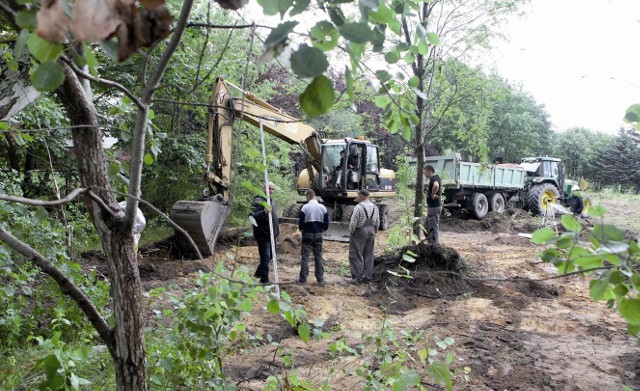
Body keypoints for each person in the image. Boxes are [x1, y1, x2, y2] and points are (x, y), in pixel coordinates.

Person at [297, 189, 330, 284]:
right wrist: (321, 230)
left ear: (307, 196)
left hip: (307, 234)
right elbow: (326, 224)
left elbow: (301, 223)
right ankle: (320, 279)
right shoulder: (322, 207)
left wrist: (302, 230)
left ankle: (303, 279)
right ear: (314, 196)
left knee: (305, 257)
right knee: (318, 257)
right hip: (318, 235)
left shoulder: (305, 208)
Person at [249, 182, 280, 283]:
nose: (271, 191)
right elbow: (252, 216)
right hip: (263, 235)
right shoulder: (258, 201)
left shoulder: (270, 200)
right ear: (263, 188)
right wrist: (264, 212)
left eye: (273, 189)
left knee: (272, 255)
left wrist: (276, 233)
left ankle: (258, 273)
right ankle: (264, 280)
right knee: (265, 258)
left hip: (272, 235)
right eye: (269, 188)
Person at [348, 189, 380, 284]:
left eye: (358, 195)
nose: (357, 197)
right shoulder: (375, 207)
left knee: (355, 254)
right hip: (371, 231)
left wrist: (351, 232)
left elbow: (353, 222)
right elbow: (377, 222)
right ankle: (368, 277)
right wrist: (375, 231)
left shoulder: (358, 207)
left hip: (360, 232)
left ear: (362, 196)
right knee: (369, 254)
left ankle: (358, 278)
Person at [423, 165, 442, 244]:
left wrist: (432, 195)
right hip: (432, 208)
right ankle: (431, 243)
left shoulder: (434, 178)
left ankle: (434, 245)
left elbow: (436, 185)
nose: (424, 174)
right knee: (425, 227)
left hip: (434, 207)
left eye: (425, 172)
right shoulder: (435, 178)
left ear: (429, 171)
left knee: (433, 227)